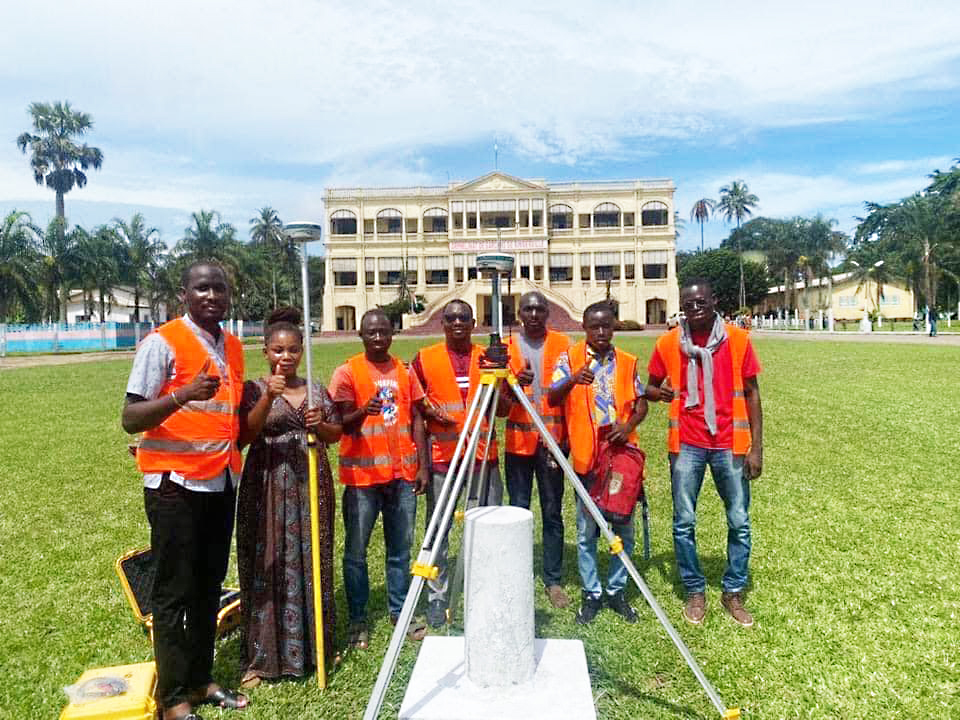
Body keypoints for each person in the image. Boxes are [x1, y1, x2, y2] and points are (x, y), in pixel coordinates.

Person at [121, 261, 249, 720]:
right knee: (174, 593)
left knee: (208, 586)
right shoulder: (163, 343)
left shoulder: (233, 346)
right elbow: (130, 419)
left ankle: (200, 680)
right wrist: (182, 394)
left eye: (219, 288)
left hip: (220, 480)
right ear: (185, 295)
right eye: (202, 288)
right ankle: (171, 699)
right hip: (175, 485)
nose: (212, 295)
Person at [646, 278, 763, 628]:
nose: (695, 308)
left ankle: (733, 591)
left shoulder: (738, 340)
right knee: (684, 522)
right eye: (688, 303)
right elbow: (649, 386)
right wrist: (660, 394)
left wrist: (757, 448)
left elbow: (754, 395)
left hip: (730, 443)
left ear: (714, 301)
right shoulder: (669, 343)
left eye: (701, 302)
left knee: (739, 521)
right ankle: (695, 590)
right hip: (687, 445)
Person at [235, 307, 342, 688]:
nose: (286, 357)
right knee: (269, 560)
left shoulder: (314, 388)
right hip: (266, 483)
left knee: (311, 558)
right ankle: (263, 658)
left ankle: (315, 648)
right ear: (265, 351)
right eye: (278, 350)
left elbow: (335, 434)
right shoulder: (252, 389)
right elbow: (245, 436)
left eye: (293, 350)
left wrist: (322, 424)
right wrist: (268, 397)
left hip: (310, 481)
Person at [329, 308, 431, 649]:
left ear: (392, 334)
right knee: (356, 552)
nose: (378, 337)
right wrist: (363, 411)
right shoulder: (347, 372)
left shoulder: (404, 371)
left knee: (400, 549)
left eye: (383, 331)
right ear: (361, 335)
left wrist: (423, 465)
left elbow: (416, 416)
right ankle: (358, 619)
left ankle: (400, 610)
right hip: (362, 478)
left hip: (401, 475)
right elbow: (339, 424)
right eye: (371, 332)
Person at [547, 301, 647, 625]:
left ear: (614, 326)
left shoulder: (628, 362)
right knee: (586, 530)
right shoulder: (570, 358)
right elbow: (551, 396)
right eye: (594, 326)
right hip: (587, 459)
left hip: (620, 459)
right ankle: (592, 592)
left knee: (623, 528)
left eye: (606, 326)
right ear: (584, 328)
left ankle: (617, 590)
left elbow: (642, 404)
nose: (601, 332)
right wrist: (573, 379)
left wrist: (628, 426)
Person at [411, 299, 503, 628]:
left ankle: (484, 589)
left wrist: (504, 377)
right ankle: (437, 597)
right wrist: (421, 464)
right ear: (442, 323)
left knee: (489, 527)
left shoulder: (488, 356)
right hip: (442, 461)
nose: (458, 323)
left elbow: (503, 409)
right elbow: (417, 416)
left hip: (483, 459)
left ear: (474, 321)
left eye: (464, 317)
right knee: (439, 529)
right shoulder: (424, 359)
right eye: (451, 318)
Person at [501, 291, 572, 609]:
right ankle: (517, 573)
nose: (533, 314)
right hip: (518, 444)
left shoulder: (564, 345)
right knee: (518, 511)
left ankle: (553, 580)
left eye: (538, 309)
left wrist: (567, 438)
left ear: (548, 313)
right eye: (527, 309)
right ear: (519, 314)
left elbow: (572, 394)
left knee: (552, 511)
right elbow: (498, 401)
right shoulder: (505, 348)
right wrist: (514, 383)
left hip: (553, 442)